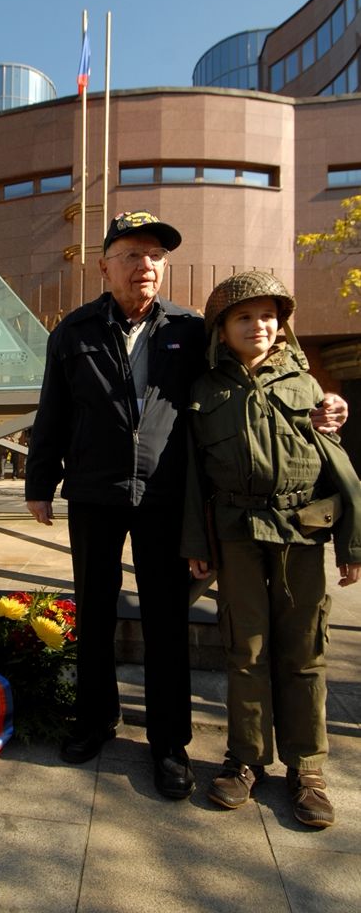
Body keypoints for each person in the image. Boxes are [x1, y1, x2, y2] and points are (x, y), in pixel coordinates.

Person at [24, 210, 348, 801]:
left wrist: (321, 401)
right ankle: (94, 721)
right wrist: (39, 483)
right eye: (131, 254)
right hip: (95, 494)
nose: (145, 265)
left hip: (167, 497)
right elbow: (54, 413)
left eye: (155, 255)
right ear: (105, 265)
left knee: (166, 620)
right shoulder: (72, 332)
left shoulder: (192, 329)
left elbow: (250, 376)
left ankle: (169, 744)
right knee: (93, 612)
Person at [182, 271, 361, 829]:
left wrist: (351, 544)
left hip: (301, 533)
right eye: (244, 317)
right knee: (246, 648)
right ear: (221, 328)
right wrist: (197, 543)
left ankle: (307, 769)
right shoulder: (205, 389)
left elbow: (338, 468)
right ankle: (246, 759)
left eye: (268, 316)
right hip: (236, 534)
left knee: (305, 650)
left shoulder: (308, 386)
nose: (258, 326)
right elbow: (193, 475)